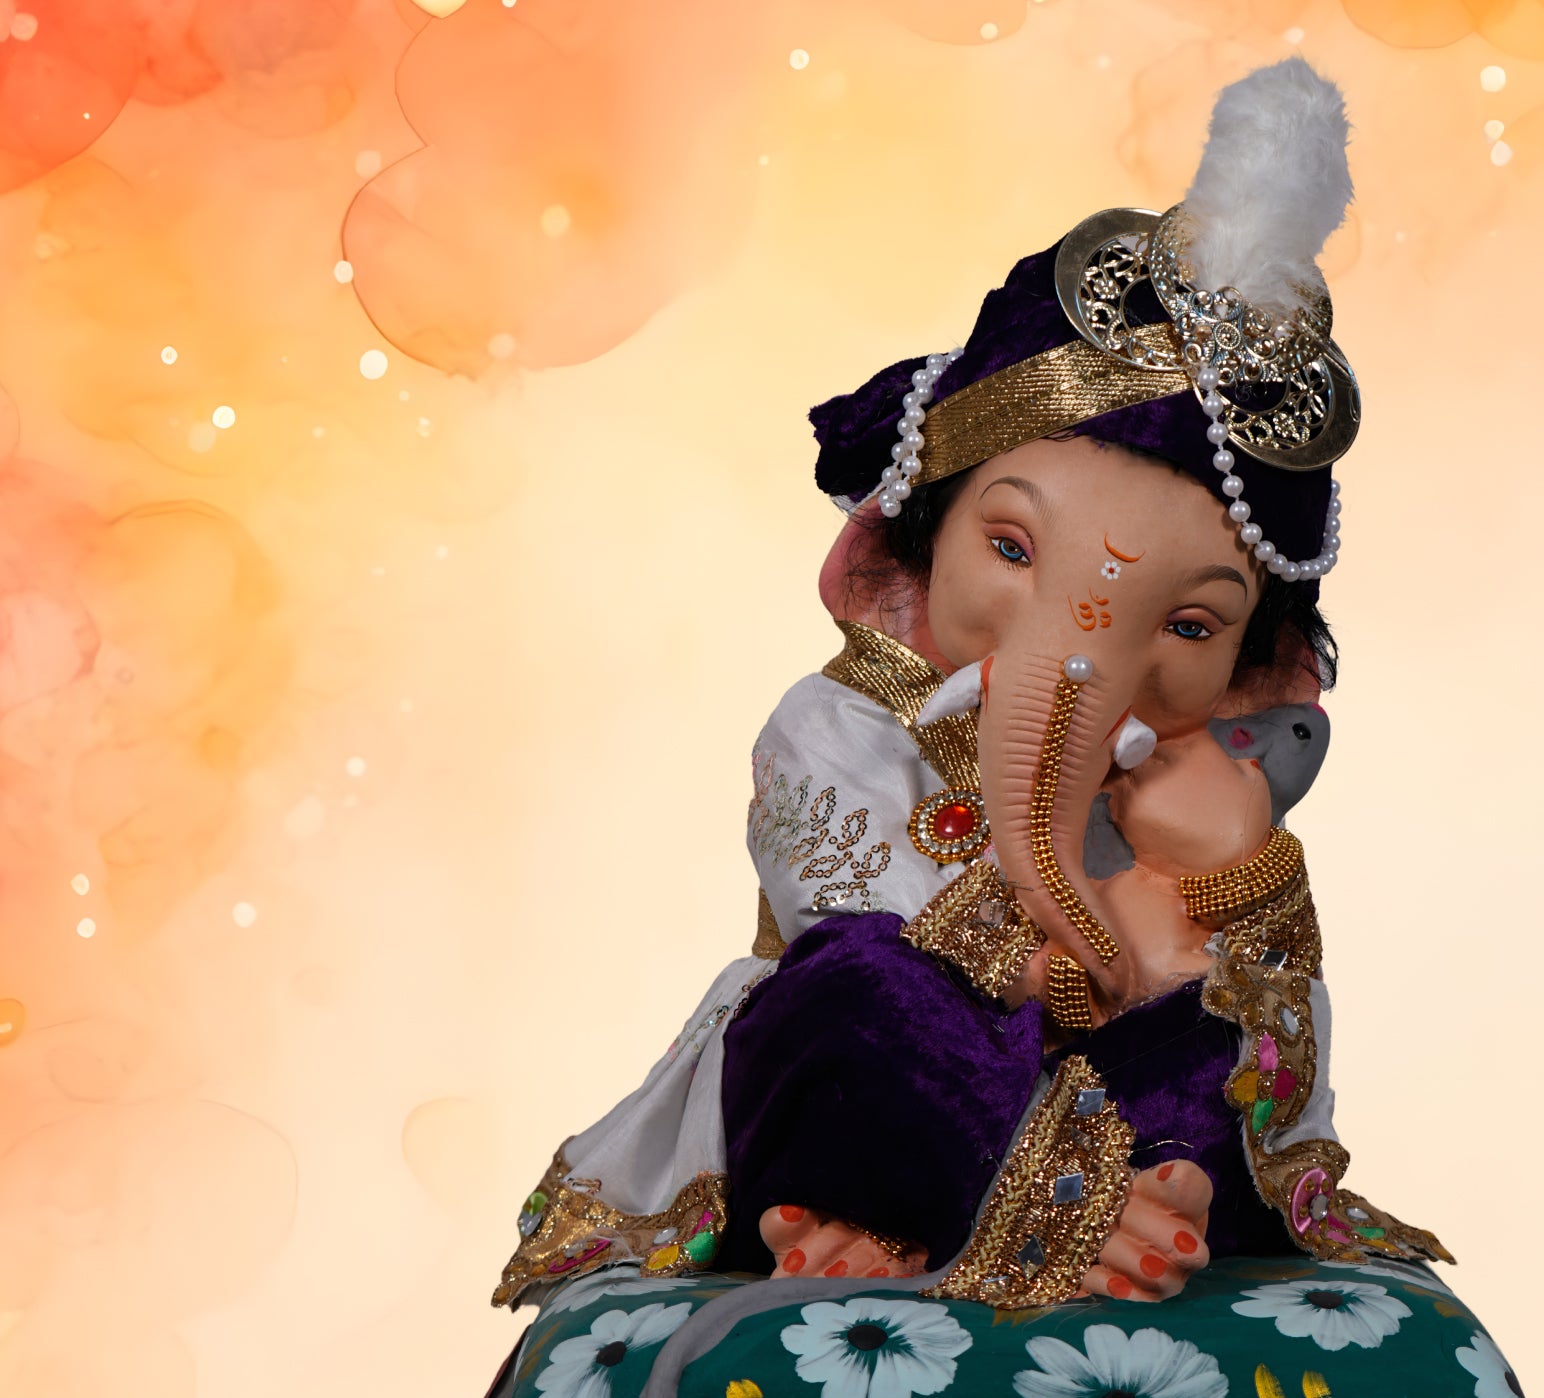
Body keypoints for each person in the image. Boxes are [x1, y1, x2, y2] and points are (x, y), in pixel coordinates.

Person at [493, 55, 1449, 1320]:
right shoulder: (835, 728)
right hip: (892, 1083)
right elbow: (856, 928)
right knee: (856, 995)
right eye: (1012, 548)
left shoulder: (1185, 770)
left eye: (1186, 623)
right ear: (907, 539)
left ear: (1248, 666)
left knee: (1230, 1044)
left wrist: (1224, 883)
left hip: (1102, 1090)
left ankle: (1011, 1209)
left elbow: (1267, 1039)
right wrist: (1097, 913)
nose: (1091, 643)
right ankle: (1022, 1202)